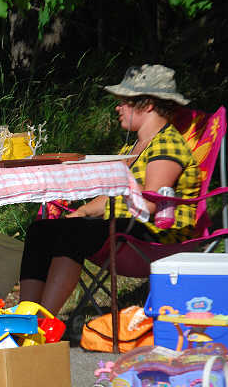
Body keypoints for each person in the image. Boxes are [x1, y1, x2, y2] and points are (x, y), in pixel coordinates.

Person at [18, 64, 201, 315]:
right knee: (40, 230)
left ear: (147, 104)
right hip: (127, 227)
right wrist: (82, 212)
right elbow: (111, 193)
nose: (118, 107)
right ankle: (22, 316)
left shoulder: (167, 146)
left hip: (156, 235)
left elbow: (148, 204)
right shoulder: (134, 147)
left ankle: (43, 323)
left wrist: (97, 211)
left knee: (71, 234)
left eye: (124, 101)